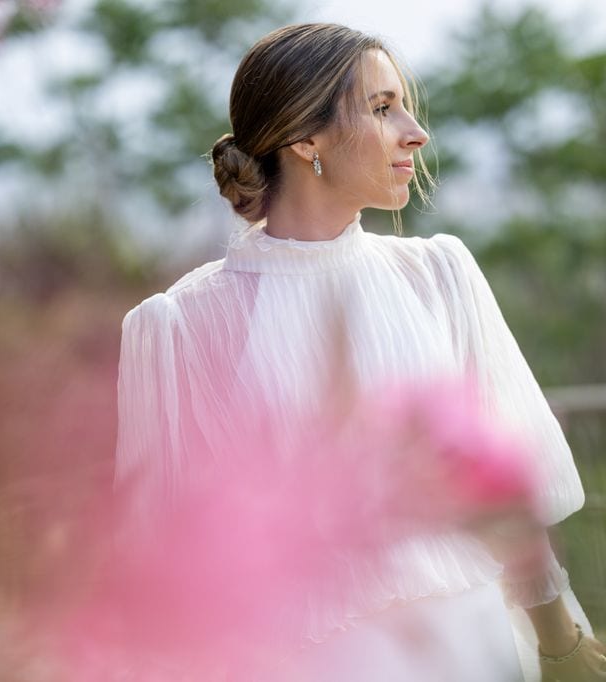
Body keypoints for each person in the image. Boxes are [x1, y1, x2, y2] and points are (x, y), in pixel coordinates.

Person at [113, 22, 604, 682]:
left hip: (479, 647)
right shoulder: (179, 328)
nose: (415, 131)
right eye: (382, 108)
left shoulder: (437, 274)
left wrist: (559, 641)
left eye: (404, 104)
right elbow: (171, 567)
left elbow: (503, 488)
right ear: (305, 138)